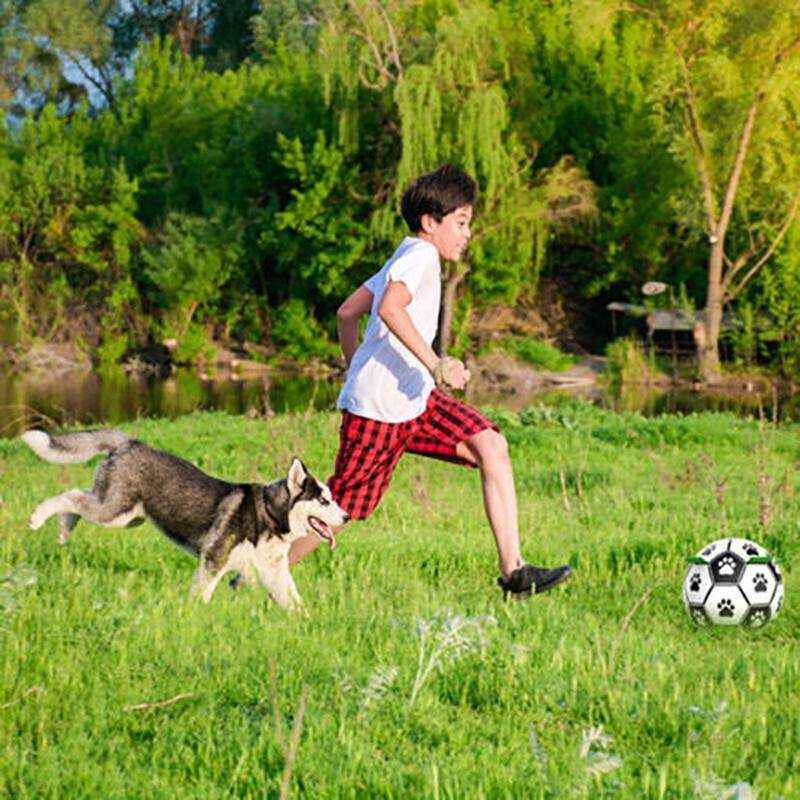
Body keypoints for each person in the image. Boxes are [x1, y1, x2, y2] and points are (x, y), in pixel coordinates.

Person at [288, 164, 572, 598]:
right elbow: (390, 309)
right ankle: (253, 570)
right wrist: (436, 365)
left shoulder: (404, 255)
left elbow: (347, 313)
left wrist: (356, 367)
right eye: (461, 222)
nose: (467, 234)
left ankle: (515, 573)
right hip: (380, 411)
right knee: (341, 507)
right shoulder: (419, 256)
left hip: (413, 400)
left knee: (490, 445)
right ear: (429, 222)